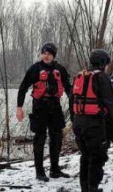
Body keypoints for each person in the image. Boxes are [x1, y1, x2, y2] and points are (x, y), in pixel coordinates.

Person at [16, 42, 73, 182]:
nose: (46, 56)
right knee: (39, 139)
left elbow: (69, 90)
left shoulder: (60, 69)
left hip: (55, 106)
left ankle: (54, 169)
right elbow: (23, 87)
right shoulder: (35, 69)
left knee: (57, 138)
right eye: (44, 53)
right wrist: (19, 107)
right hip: (39, 106)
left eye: (49, 54)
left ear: (53, 55)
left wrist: (75, 105)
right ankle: (40, 172)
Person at [71, 49, 113, 192]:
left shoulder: (81, 76)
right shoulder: (101, 78)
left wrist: (74, 121)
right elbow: (110, 103)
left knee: (85, 155)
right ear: (103, 63)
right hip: (94, 124)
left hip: (78, 123)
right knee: (97, 158)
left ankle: (85, 189)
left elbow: (73, 101)